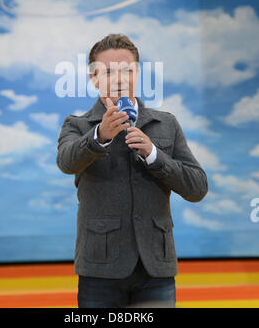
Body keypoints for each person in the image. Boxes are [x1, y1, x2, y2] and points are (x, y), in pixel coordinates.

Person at [56, 33, 208, 308]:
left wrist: (153, 155)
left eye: (127, 70)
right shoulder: (77, 126)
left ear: (137, 73)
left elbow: (197, 187)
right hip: (99, 268)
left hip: (156, 269)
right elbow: (67, 162)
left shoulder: (166, 124)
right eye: (109, 71)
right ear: (94, 79)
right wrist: (99, 135)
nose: (119, 78)